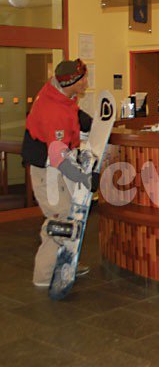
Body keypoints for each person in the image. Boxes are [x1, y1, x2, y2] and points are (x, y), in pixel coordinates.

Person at [21, 58, 97, 287]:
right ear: (71, 82)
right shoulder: (52, 111)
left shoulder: (60, 93)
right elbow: (59, 157)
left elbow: (74, 113)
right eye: (82, 79)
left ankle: (67, 262)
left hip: (55, 165)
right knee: (60, 219)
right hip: (47, 170)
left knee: (71, 214)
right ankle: (44, 276)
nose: (86, 82)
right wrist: (85, 178)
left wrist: (94, 124)